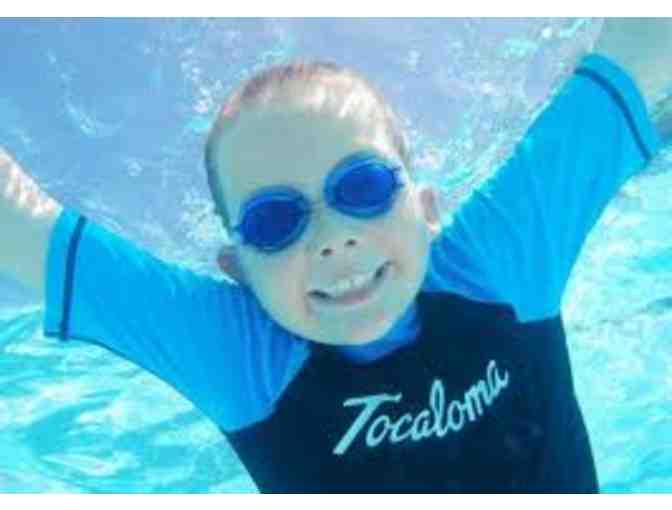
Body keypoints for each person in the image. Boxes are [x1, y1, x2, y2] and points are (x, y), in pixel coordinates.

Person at [1, 19, 670, 493]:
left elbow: (640, 43)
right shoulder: (240, 354)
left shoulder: (494, 265)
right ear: (238, 271)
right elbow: (22, 227)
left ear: (426, 209)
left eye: (364, 187)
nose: (331, 237)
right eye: (274, 221)